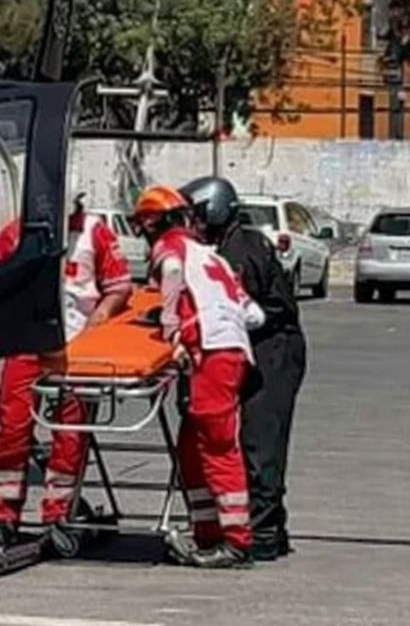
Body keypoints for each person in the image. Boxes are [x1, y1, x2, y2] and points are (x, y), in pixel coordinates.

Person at [0, 197, 131, 549]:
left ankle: (59, 513)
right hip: (26, 342)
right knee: (13, 428)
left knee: (70, 435)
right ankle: (3, 516)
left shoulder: (95, 231)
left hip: (75, 347)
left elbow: (118, 287)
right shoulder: (21, 230)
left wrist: (99, 319)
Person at [131, 184, 263, 569]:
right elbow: (254, 315)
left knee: (218, 446)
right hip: (231, 350)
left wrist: (171, 321)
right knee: (191, 445)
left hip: (213, 353)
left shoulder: (170, 247)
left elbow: (171, 271)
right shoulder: (212, 257)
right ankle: (207, 531)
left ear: (152, 224)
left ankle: (236, 542)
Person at [179, 176, 307, 562]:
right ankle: (268, 529)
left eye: (195, 215)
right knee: (251, 439)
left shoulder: (241, 250)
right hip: (257, 343)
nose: (191, 224)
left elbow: (238, 309)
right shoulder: (223, 246)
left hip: (273, 347)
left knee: (259, 440)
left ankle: (263, 530)